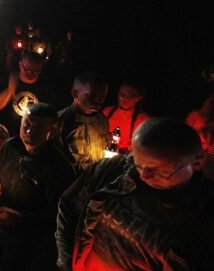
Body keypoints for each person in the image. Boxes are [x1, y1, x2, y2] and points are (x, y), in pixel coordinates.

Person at [56, 118, 214, 270]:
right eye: (139, 164)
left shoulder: (203, 215)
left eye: (159, 170)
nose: (144, 176)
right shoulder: (113, 170)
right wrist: (67, 263)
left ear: (197, 162)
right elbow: (69, 205)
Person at [0, 103, 76, 270]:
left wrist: (21, 218)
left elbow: (59, 217)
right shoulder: (10, 146)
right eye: (26, 125)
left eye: (38, 128)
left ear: (52, 131)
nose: (29, 131)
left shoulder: (59, 168)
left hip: (36, 243)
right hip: (5, 230)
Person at [0, 51, 50, 136]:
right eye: (28, 70)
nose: (31, 74)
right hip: (6, 133)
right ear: (20, 65)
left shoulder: (43, 87)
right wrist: (10, 90)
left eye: (36, 71)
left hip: (29, 135)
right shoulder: (7, 80)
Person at [58, 71, 110, 171]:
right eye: (92, 95)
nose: (98, 101)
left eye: (102, 96)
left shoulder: (102, 121)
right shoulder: (60, 122)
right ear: (75, 93)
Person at [102, 80, 151, 153]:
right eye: (121, 93)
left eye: (129, 95)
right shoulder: (106, 112)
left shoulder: (144, 120)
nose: (123, 97)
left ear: (139, 98)